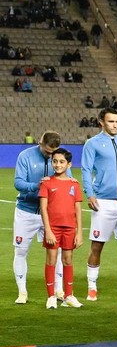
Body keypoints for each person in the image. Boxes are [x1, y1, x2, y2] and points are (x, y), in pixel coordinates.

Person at [82, 107, 117, 300]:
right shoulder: (92, 144)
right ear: (101, 122)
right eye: (111, 121)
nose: (115, 125)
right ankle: (92, 286)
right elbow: (86, 170)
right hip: (103, 201)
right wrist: (90, 193)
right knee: (97, 246)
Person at [13, 130, 65, 303]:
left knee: (55, 251)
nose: (51, 156)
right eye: (48, 151)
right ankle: (22, 292)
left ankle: (58, 290)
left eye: (54, 152)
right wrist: (38, 186)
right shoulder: (25, 156)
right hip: (26, 211)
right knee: (21, 251)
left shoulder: (59, 157)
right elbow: (18, 183)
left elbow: (67, 179)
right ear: (40, 143)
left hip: (50, 214)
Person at [37, 148, 83, 309]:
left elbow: (78, 210)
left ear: (69, 164)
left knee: (68, 260)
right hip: (53, 228)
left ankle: (68, 296)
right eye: (55, 161)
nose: (58, 165)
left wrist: (79, 233)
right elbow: (43, 208)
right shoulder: (46, 183)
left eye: (62, 162)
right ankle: (51, 296)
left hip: (70, 228)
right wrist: (48, 230)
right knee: (51, 259)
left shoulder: (74, 184)